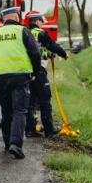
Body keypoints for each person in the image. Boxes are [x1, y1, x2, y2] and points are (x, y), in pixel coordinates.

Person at [0, 7, 42, 159]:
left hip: (2, 78)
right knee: (20, 111)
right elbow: (35, 53)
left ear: (3, 19)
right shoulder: (23, 31)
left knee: (6, 111)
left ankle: (7, 144)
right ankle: (16, 144)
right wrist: (35, 72)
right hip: (21, 77)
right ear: (17, 17)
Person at [23, 10, 68, 138]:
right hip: (39, 72)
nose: (42, 24)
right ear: (36, 21)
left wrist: (46, 53)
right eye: (41, 21)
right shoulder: (40, 33)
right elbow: (52, 45)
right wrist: (64, 54)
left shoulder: (24, 32)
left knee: (30, 101)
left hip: (26, 72)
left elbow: (36, 49)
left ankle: (30, 129)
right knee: (45, 100)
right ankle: (49, 130)